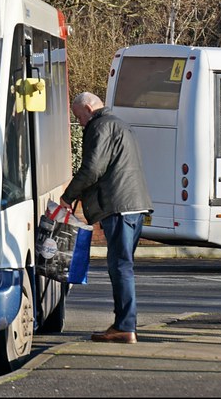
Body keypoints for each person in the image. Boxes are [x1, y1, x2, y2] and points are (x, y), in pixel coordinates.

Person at [60, 92, 152, 344]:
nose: (80, 123)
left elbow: (92, 168)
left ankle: (125, 326)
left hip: (118, 206)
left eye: (79, 117)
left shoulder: (99, 126)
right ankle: (124, 323)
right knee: (123, 265)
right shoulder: (120, 124)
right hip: (133, 204)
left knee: (120, 266)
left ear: (89, 109)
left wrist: (68, 196)